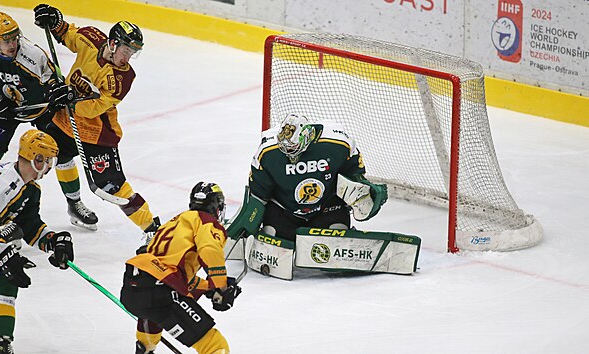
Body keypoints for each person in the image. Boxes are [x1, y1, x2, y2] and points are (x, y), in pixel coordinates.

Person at [32, 4, 160, 236]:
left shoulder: (122, 77)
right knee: (44, 155)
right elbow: (69, 35)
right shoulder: (91, 39)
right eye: (126, 50)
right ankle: (72, 205)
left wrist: (70, 99)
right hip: (64, 121)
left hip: (96, 133)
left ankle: (152, 229)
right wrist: (55, 22)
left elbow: (95, 107)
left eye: (133, 52)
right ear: (112, 43)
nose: (128, 57)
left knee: (113, 186)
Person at [0, 11, 98, 231]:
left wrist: (57, 94)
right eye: (5, 40)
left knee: (61, 152)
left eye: (14, 37)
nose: (12, 44)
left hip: (40, 109)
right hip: (5, 109)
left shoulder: (33, 55)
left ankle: (74, 204)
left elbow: (55, 79)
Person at [0, 129, 75, 354]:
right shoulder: (2, 180)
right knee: (2, 282)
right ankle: (2, 345)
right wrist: (3, 258)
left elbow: (30, 224)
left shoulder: (30, 189)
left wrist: (53, 242)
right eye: (47, 159)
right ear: (36, 158)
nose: (50, 165)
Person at [226, 113, 388, 242]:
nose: (289, 153)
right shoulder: (267, 153)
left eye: (293, 148)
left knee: (336, 234)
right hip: (284, 211)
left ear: (308, 137)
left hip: (327, 208)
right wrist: (248, 219)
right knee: (272, 236)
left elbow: (354, 174)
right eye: (285, 149)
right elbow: (258, 195)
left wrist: (363, 190)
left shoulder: (337, 144)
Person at [120, 182, 242, 354]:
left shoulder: (174, 222)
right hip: (160, 289)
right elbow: (209, 250)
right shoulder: (207, 222)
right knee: (215, 346)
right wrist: (221, 287)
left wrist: (209, 287)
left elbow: (176, 274)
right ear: (217, 207)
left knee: (153, 316)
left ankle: (145, 348)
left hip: (134, 286)